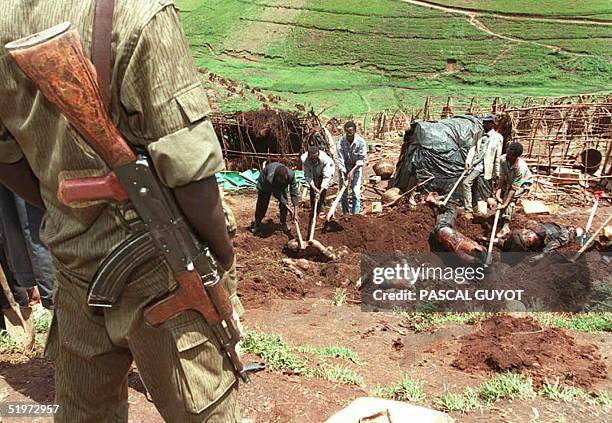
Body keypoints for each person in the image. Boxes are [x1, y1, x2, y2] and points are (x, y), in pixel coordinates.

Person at [0, 1, 242, 422]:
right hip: (164, 270)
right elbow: (190, 170)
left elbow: (7, 159)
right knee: (206, 411)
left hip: (73, 265)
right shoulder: (140, 12)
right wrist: (220, 257)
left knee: (83, 413)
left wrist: (70, 206)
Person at [462, 113, 503, 220]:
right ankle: (468, 209)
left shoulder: (498, 138)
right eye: (483, 122)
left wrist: (497, 172)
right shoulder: (478, 135)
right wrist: (468, 161)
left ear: (492, 124)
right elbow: (472, 149)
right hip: (476, 165)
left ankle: (483, 209)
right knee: (466, 183)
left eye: (486, 123)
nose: (484, 124)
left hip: (488, 167)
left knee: (485, 190)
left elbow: (497, 156)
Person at [495, 142, 533, 237]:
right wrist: (497, 193)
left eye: (510, 155)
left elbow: (513, 189)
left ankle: (506, 227)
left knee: (510, 200)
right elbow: (502, 177)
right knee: (505, 198)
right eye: (507, 153)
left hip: (523, 184)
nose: (507, 156)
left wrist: (504, 204)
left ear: (515, 157)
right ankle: (502, 217)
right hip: (510, 180)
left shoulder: (520, 168)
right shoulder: (503, 159)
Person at [250, 162, 300, 235]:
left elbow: (294, 193)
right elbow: (278, 195)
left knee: (284, 204)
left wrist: (295, 211)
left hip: (280, 185)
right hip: (265, 185)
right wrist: (290, 209)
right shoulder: (269, 179)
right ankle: (257, 223)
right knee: (262, 204)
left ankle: (283, 222)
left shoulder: (291, 175)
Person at [492, 221, 581, 260]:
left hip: (518, 232)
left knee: (506, 245)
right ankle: (495, 259)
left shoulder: (557, 225)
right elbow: (552, 245)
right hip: (523, 242)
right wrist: (541, 256)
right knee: (512, 259)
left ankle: (494, 241)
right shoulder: (565, 237)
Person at [336, 121, 367, 214]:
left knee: (356, 192)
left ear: (355, 131)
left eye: (351, 132)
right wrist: (343, 173)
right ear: (345, 131)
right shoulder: (341, 142)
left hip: (356, 167)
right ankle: (345, 213)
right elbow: (340, 158)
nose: (349, 134)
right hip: (344, 167)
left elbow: (361, 159)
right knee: (343, 192)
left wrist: (352, 171)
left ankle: (355, 215)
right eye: (347, 132)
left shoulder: (361, 142)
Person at [301, 145, 335, 219]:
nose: (314, 160)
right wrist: (314, 188)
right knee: (313, 190)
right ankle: (314, 210)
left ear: (318, 156)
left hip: (324, 171)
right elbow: (308, 176)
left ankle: (321, 209)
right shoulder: (304, 159)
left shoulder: (325, 160)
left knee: (322, 190)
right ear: (309, 156)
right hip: (313, 172)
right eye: (312, 159)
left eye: (316, 158)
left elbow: (326, 177)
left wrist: (320, 191)